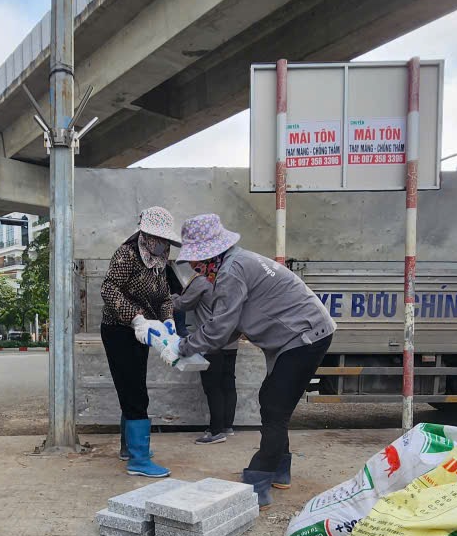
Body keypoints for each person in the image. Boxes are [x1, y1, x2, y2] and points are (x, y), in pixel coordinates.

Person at [171, 214, 335, 507]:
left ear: (210, 256)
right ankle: (279, 470)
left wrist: (182, 346)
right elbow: (231, 324)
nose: (194, 266)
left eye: (196, 260)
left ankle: (258, 480)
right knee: (272, 402)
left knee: (274, 406)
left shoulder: (231, 271)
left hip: (305, 336)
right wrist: (200, 343)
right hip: (299, 335)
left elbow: (220, 328)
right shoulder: (238, 262)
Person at [101, 206, 181, 477]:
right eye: (159, 238)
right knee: (134, 393)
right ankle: (138, 459)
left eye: (165, 240)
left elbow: (165, 296)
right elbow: (108, 289)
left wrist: (168, 320)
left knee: (133, 387)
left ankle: (129, 448)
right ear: (145, 235)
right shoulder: (127, 254)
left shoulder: (160, 260)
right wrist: (136, 318)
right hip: (119, 330)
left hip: (145, 332)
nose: (163, 244)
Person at [175, 270, 237, 444]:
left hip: (212, 341)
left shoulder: (202, 282)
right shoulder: (230, 278)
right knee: (228, 383)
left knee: (213, 386)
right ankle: (227, 426)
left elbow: (182, 304)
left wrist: (170, 297)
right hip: (231, 340)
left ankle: (216, 432)